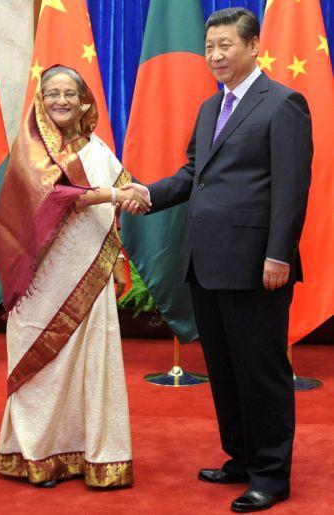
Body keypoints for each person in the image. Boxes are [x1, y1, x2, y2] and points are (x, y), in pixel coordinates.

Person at [121, 8, 312, 512]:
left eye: (225, 45)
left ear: (252, 46)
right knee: (225, 369)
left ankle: (271, 475)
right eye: (209, 47)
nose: (215, 55)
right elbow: (192, 174)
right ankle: (242, 458)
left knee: (260, 370)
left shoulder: (284, 103)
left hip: (256, 265)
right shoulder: (211, 108)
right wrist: (147, 192)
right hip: (205, 260)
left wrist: (279, 254)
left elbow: (292, 188)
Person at [0, 65, 148, 489]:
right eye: (52, 93)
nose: (61, 100)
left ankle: (92, 453)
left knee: (90, 363)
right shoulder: (31, 150)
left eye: (69, 93)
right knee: (42, 366)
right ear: (41, 102)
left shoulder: (98, 150)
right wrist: (116, 194)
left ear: (84, 102)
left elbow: (121, 197)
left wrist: (130, 205)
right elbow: (57, 195)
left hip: (89, 278)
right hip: (42, 282)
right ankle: (35, 454)